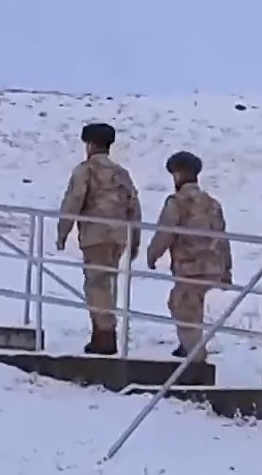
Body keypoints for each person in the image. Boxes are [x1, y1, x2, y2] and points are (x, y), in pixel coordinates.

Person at [55, 122, 141, 355]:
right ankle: (104, 332)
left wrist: (63, 232)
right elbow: (134, 207)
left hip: (95, 235)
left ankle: (104, 336)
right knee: (107, 283)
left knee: (97, 284)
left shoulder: (85, 170)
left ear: (90, 144)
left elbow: (74, 200)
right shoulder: (122, 173)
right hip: (119, 237)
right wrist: (134, 240)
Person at [146, 151, 233, 359]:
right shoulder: (212, 203)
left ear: (177, 174)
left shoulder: (177, 202)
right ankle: (188, 346)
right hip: (213, 265)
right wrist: (226, 270)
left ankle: (195, 356)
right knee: (193, 307)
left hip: (189, 267)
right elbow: (222, 237)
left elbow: (165, 232)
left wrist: (152, 255)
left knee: (181, 305)